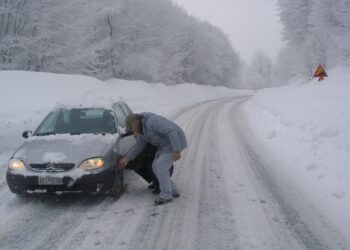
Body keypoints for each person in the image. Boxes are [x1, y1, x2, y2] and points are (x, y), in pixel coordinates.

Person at [118, 112, 187, 206]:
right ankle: (172, 190)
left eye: (131, 128)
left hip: (175, 142)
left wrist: (176, 150)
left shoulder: (153, 122)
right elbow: (139, 145)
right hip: (164, 146)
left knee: (161, 165)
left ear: (135, 123)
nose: (132, 132)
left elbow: (171, 131)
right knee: (155, 166)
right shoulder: (142, 130)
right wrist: (127, 157)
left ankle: (166, 196)